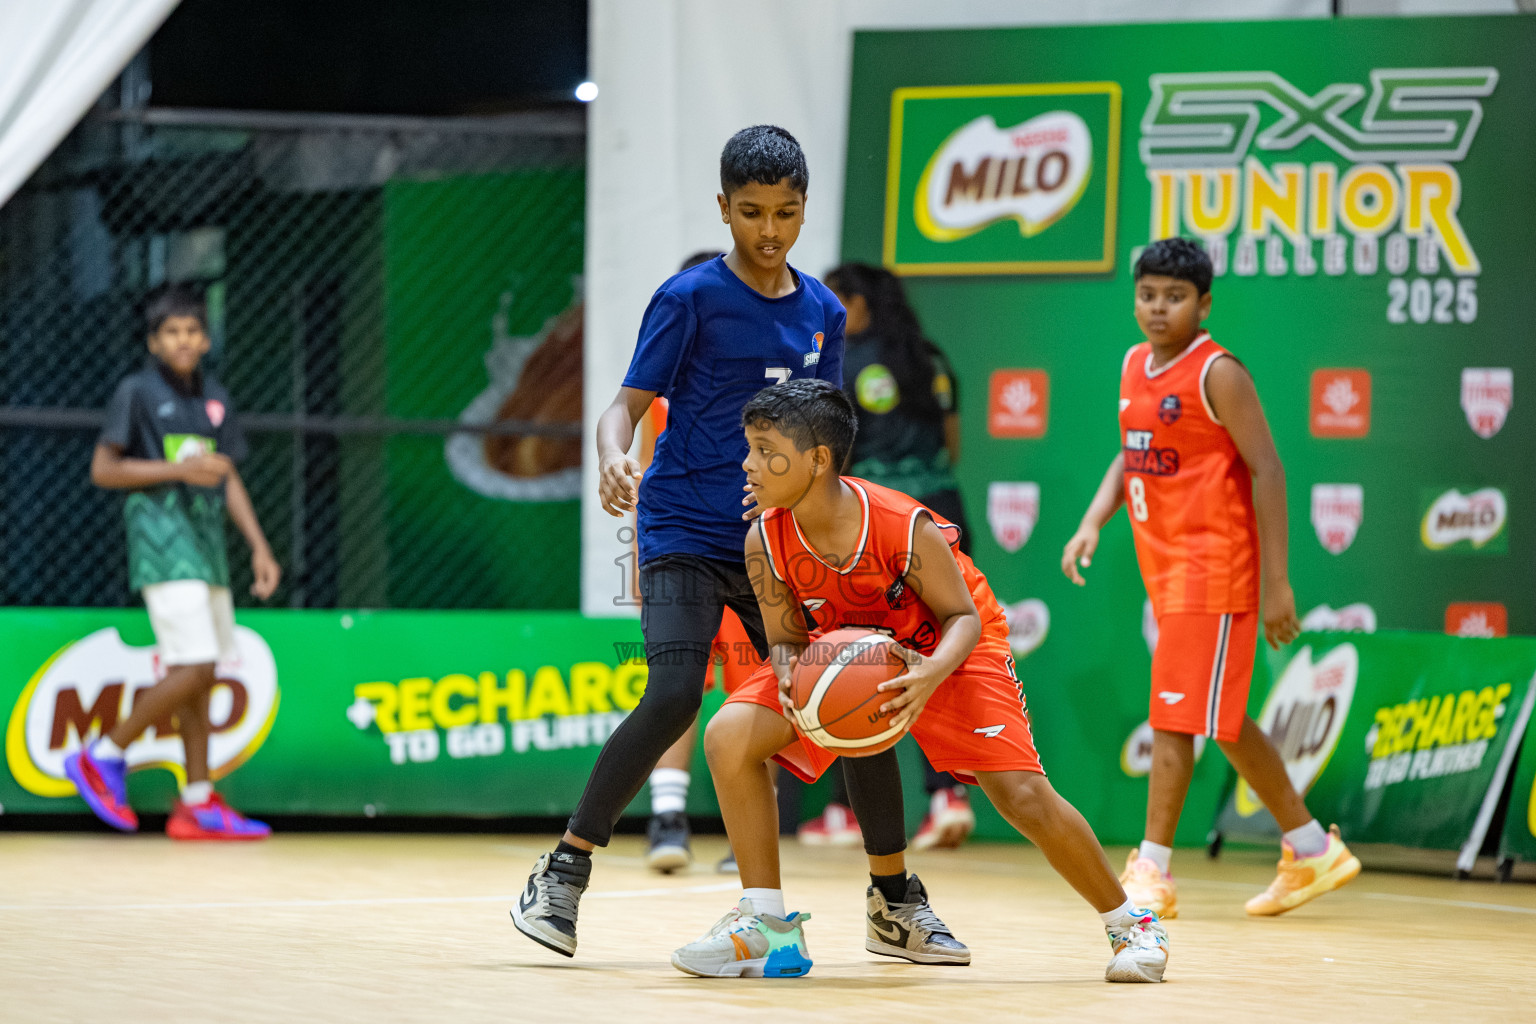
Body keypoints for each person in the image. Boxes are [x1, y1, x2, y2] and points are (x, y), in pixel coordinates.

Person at [512, 125, 965, 964]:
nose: (768, 231)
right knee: (677, 691)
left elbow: (824, 432)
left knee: (852, 682)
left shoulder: (823, 313)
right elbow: (625, 404)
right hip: (684, 527)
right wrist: (615, 454)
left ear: (803, 212)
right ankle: (565, 870)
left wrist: (834, 523)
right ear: (723, 207)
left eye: (785, 214)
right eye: (751, 212)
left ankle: (894, 900)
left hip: (776, 540)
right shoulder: (687, 298)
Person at [670, 378, 1168, 982]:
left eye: (763, 449)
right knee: (728, 735)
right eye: (747, 447)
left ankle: (1131, 926)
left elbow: (964, 616)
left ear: (818, 459)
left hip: (945, 648)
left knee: (1021, 796)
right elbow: (785, 638)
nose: (746, 464)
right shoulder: (764, 539)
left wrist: (931, 674)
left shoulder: (902, 525)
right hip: (850, 659)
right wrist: (787, 675)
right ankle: (766, 925)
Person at [1060, 237, 1360, 918]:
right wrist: (1091, 522)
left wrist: (1277, 582)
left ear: (1204, 303)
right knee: (1221, 722)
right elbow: (1130, 455)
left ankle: (1152, 873)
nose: (1158, 308)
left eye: (1175, 297)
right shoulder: (1134, 364)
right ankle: (1311, 848)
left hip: (1214, 571)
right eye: (1148, 294)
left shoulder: (1217, 371)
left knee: (1174, 717)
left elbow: (1270, 470)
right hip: (1165, 573)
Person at [63, 286, 281, 840]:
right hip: (163, 548)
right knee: (197, 667)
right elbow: (104, 471)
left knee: (202, 679)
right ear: (154, 342)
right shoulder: (136, 392)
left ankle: (197, 803)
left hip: (208, 552)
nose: (183, 340)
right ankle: (101, 754)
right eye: (171, 332)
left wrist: (258, 545)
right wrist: (176, 471)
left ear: (205, 338)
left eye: (191, 330)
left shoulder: (216, 398)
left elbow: (228, 474)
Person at [804, 262, 976, 852]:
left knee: (855, 658)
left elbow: (835, 454)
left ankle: (845, 814)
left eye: (834, 302)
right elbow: (951, 445)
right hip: (943, 513)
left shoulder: (842, 361)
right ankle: (948, 796)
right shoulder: (931, 358)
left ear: (858, 304)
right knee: (937, 658)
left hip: (880, 524)